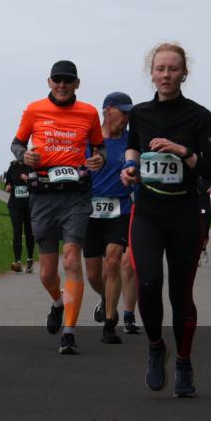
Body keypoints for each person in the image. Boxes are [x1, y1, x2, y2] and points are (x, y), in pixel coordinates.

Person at [120, 42, 211, 396]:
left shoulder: (199, 115)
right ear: (151, 72)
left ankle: (183, 361)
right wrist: (130, 166)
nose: (166, 75)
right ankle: (154, 348)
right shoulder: (140, 113)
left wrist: (183, 152)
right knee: (147, 283)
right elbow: (132, 146)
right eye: (160, 69)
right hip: (147, 210)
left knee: (180, 292)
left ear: (184, 73)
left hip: (184, 211)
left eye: (173, 69)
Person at [11, 60, 105, 355]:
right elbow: (16, 144)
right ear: (49, 82)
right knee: (47, 272)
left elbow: (99, 148)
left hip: (76, 196)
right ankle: (56, 301)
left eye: (68, 81)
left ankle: (69, 332)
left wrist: (99, 160)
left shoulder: (89, 113)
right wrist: (24, 156)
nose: (62, 85)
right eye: (57, 80)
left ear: (77, 84)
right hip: (43, 196)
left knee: (71, 260)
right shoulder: (34, 109)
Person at [83, 92, 135, 344]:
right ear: (107, 110)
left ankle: (109, 324)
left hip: (120, 210)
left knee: (112, 263)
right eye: (122, 112)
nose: (126, 118)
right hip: (90, 212)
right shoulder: (89, 140)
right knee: (94, 274)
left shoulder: (131, 141)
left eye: (129, 113)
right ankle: (106, 298)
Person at [3, 159, 35, 273]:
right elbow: (7, 183)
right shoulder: (13, 167)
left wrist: (28, 180)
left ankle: (30, 260)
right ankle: (17, 262)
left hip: (29, 206)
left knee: (29, 232)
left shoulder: (31, 166)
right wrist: (8, 187)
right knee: (17, 231)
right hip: (15, 205)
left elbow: (38, 183)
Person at [198, 177, 211, 255]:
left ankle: (203, 249)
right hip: (195, 204)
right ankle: (197, 255)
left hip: (206, 205)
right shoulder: (193, 171)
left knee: (205, 232)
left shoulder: (209, 173)